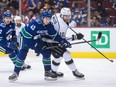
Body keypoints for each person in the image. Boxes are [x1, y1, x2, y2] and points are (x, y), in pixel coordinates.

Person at [9, 10, 71, 81]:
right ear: (42, 18)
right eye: (45, 18)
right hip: (24, 38)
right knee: (22, 54)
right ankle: (15, 73)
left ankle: (47, 72)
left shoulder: (49, 26)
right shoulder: (35, 24)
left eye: (48, 18)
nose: (47, 20)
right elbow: (27, 36)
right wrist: (35, 46)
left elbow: (55, 36)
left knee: (46, 52)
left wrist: (63, 41)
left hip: (35, 38)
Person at [50, 7, 85, 78]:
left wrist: (75, 36)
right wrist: (75, 37)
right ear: (62, 15)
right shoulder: (61, 26)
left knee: (58, 58)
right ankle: (75, 72)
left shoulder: (57, 15)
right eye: (66, 16)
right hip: (52, 42)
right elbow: (61, 39)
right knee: (67, 55)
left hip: (52, 39)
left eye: (69, 16)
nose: (67, 17)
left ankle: (53, 72)